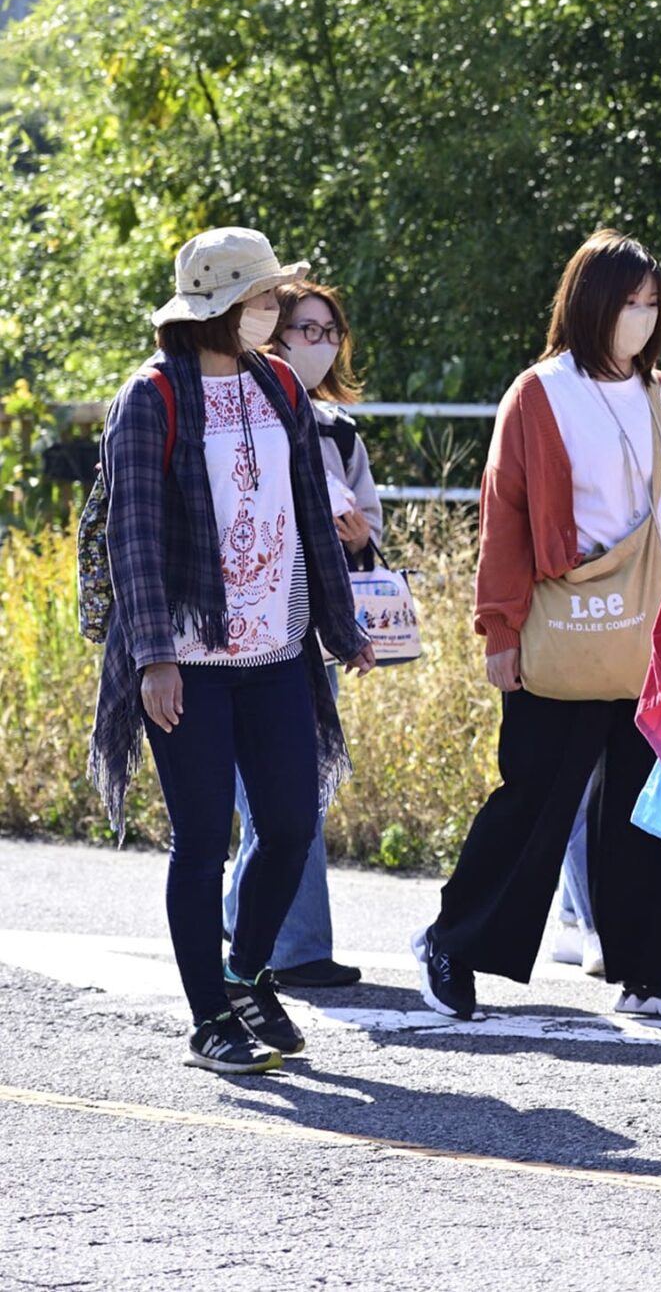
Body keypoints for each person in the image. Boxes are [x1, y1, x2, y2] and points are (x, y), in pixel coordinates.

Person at [89, 227, 376, 1074]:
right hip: (188, 652)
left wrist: (341, 622)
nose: (274, 311)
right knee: (203, 836)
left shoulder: (279, 382)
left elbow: (307, 516)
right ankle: (210, 1019)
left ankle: (245, 971)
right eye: (262, 300)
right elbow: (132, 536)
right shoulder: (150, 397)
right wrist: (152, 656)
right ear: (220, 308)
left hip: (278, 646)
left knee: (289, 824)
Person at [415, 232, 661, 1025]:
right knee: (537, 795)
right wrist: (498, 628)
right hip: (563, 622)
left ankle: (652, 968)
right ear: (588, 304)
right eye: (627, 303)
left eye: (652, 304)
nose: (641, 319)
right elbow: (504, 515)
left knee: (649, 802)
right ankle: (452, 939)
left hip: (648, 633)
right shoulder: (540, 392)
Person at [217, 278, 383, 990]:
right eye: (303, 330)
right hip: (226, 637)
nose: (319, 344)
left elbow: (367, 536)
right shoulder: (226, 411)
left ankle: (248, 916)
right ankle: (293, 947)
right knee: (274, 803)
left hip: (305, 634)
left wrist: (353, 540)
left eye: (329, 332)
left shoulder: (341, 433)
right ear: (270, 335)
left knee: (289, 802)